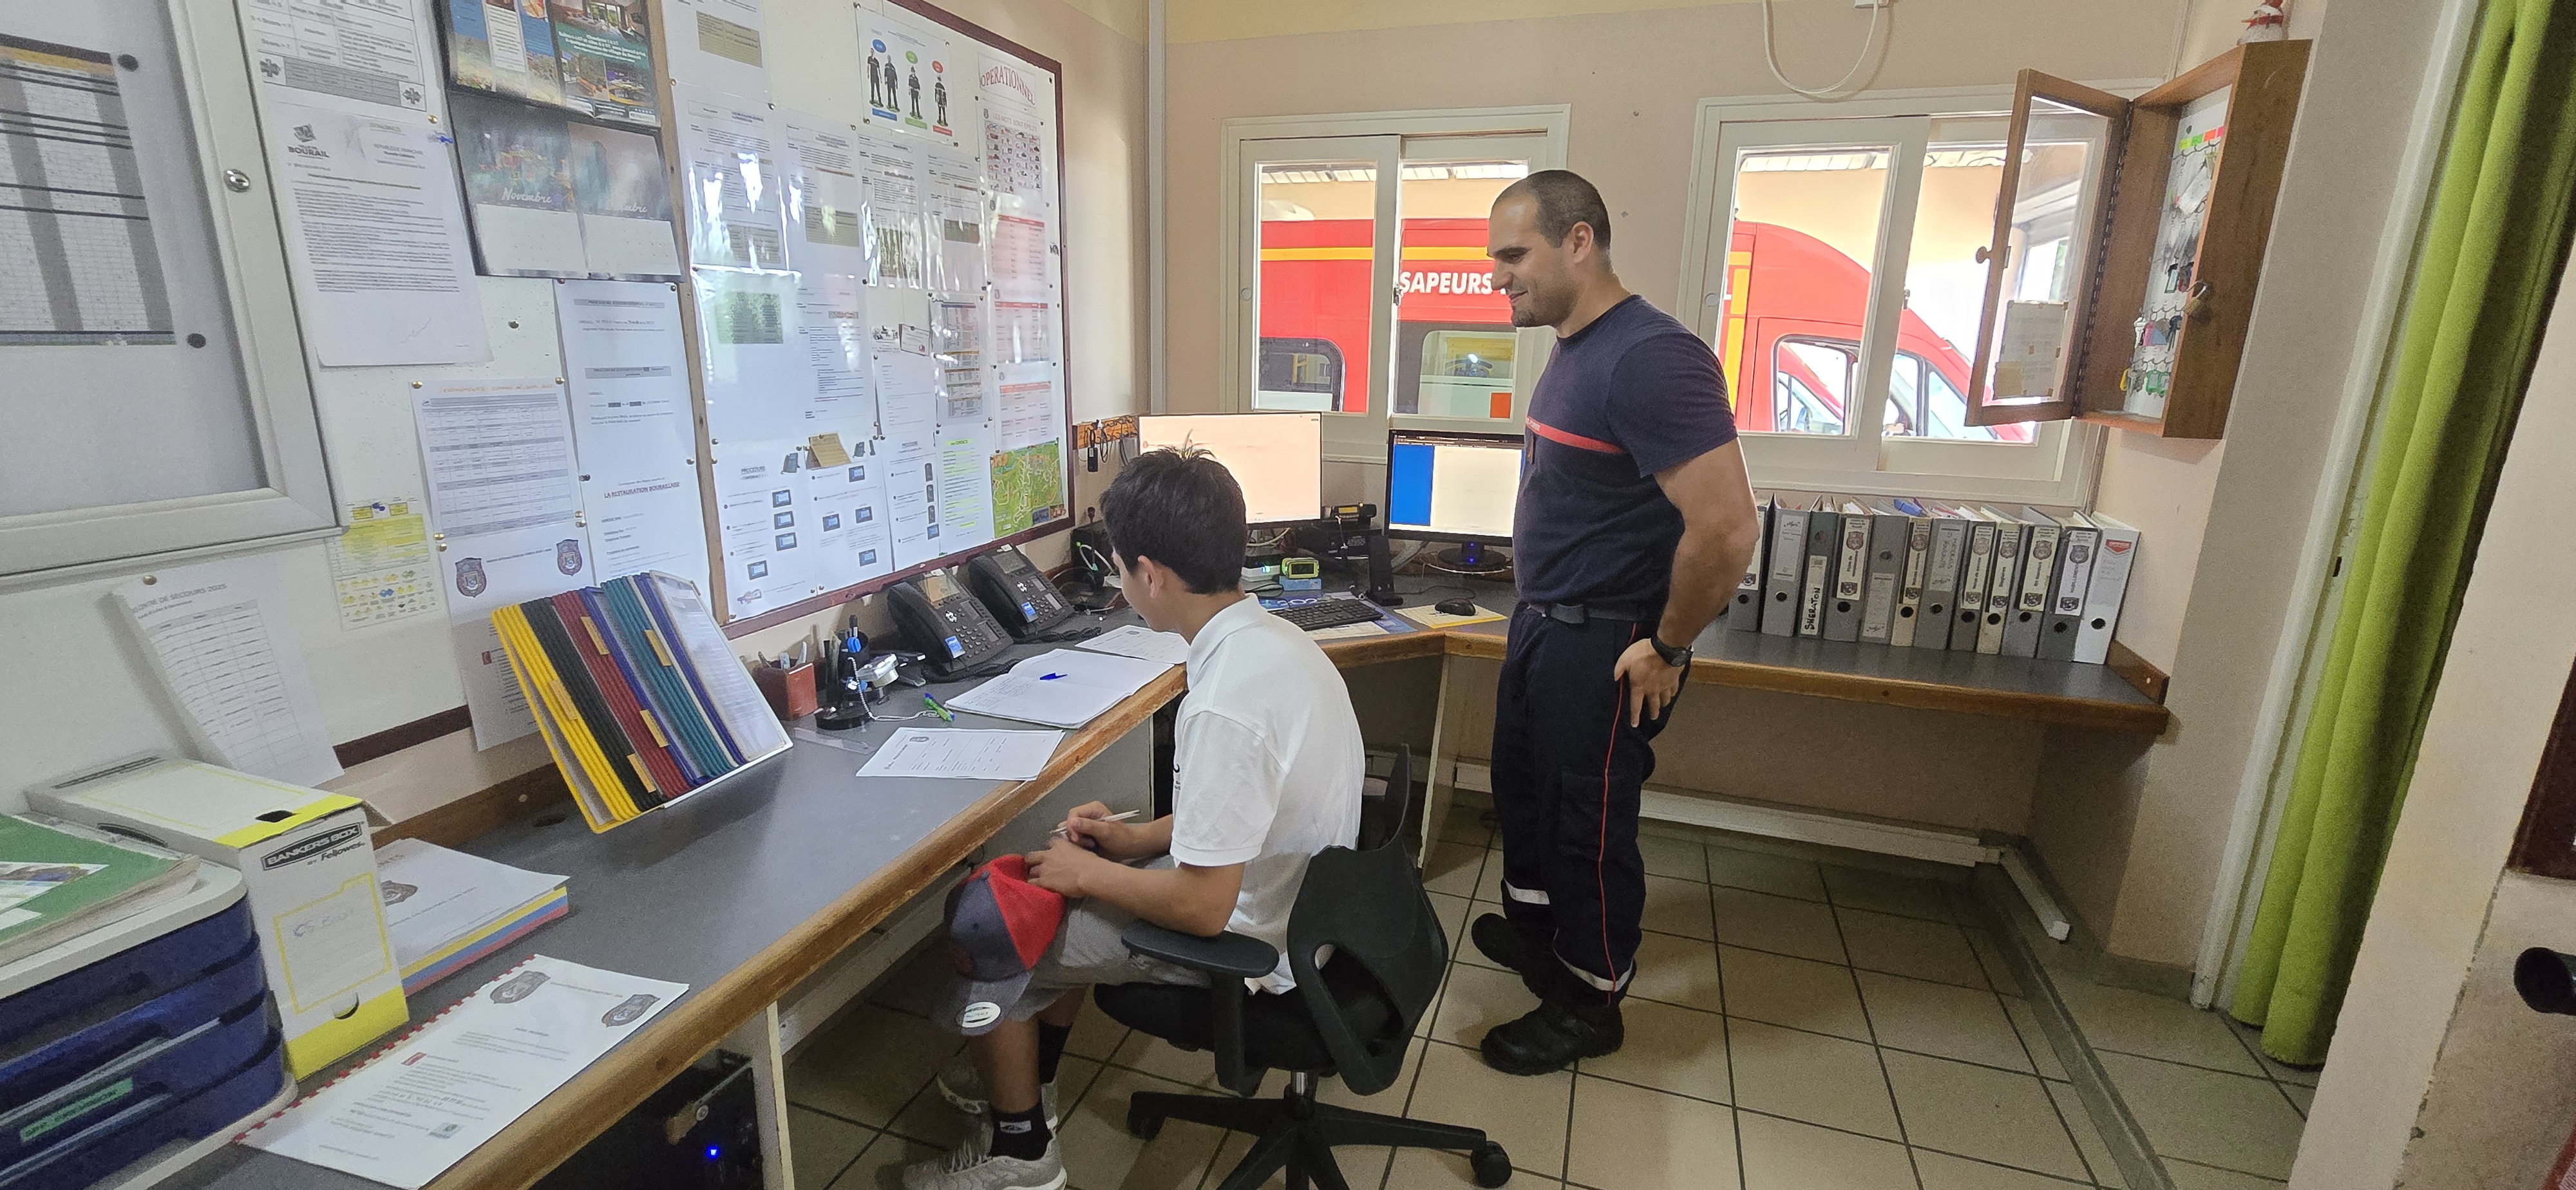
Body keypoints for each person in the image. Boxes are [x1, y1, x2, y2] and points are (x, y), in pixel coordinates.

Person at [905, 449, 1367, 1190]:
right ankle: (1031, 1090)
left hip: (1254, 943)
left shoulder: (1224, 704)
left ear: (1150, 576)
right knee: (1067, 894)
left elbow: (1202, 906)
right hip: (1307, 905)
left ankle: (1022, 1153)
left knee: (994, 934)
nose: (1119, 583)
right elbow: (1242, 809)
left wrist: (1089, 874)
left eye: (1119, 568)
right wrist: (1131, 841)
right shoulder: (1273, 644)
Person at [1470, 170, 1763, 1075]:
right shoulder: (1575, 345)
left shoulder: (1651, 359)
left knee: (1586, 825)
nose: (1497, 277)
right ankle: (1544, 945)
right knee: (1525, 795)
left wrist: (1667, 647)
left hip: (1607, 639)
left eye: (1513, 256)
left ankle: (1590, 1000)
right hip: (1544, 625)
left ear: (1580, 241)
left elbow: (1727, 528)